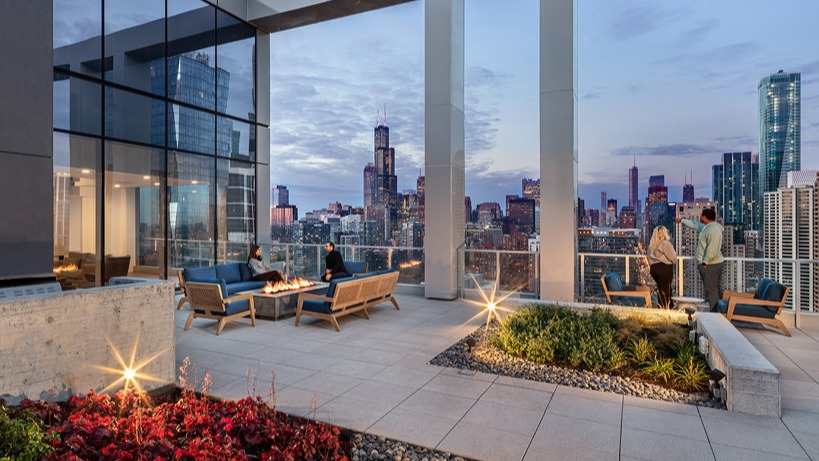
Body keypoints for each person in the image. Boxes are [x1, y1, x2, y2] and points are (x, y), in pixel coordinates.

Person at [677, 209, 724, 312]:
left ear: (704, 217)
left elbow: (712, 248)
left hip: (710, 264)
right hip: (708, 263)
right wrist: (682, 221)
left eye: (701, 215)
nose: (700, 217)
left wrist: (705, 262)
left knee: (711, 290)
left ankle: (714, 313)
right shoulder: (707, 227)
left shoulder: (713, 230)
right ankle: (714, 311)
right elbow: (695, 225)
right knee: (710, 289)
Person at [647, 225, 677, 309]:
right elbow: (673, 258)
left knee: (661, 289)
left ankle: (663, 307)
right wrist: (674, 261)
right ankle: (665, 308)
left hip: (654, 269)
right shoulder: (665, 244)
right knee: (666, 290)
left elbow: (649, 258)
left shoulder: (651, 246)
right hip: (665, 269)